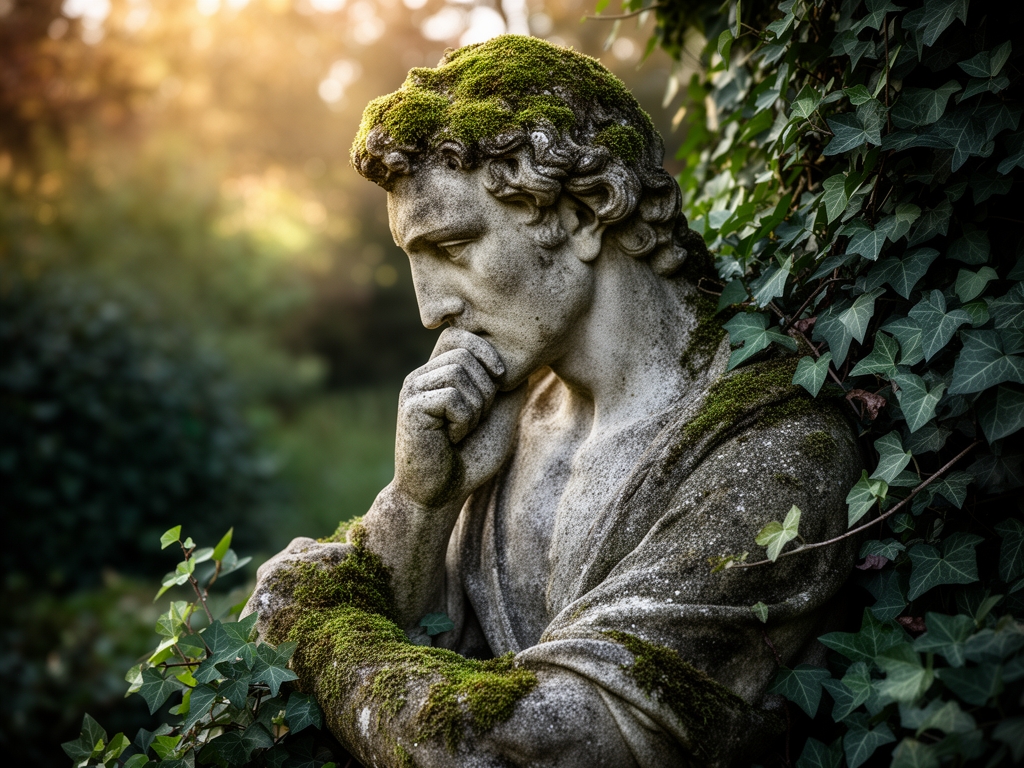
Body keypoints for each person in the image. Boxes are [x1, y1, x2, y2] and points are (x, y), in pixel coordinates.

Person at [245, 35, 861, 767]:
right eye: (414, 262)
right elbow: (313, 608)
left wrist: (322, 641)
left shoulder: (775, 455)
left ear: (583, 211)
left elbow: (535, 747)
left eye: (452, 247)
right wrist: (421, 501)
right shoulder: (508, 419)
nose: (430, 309)